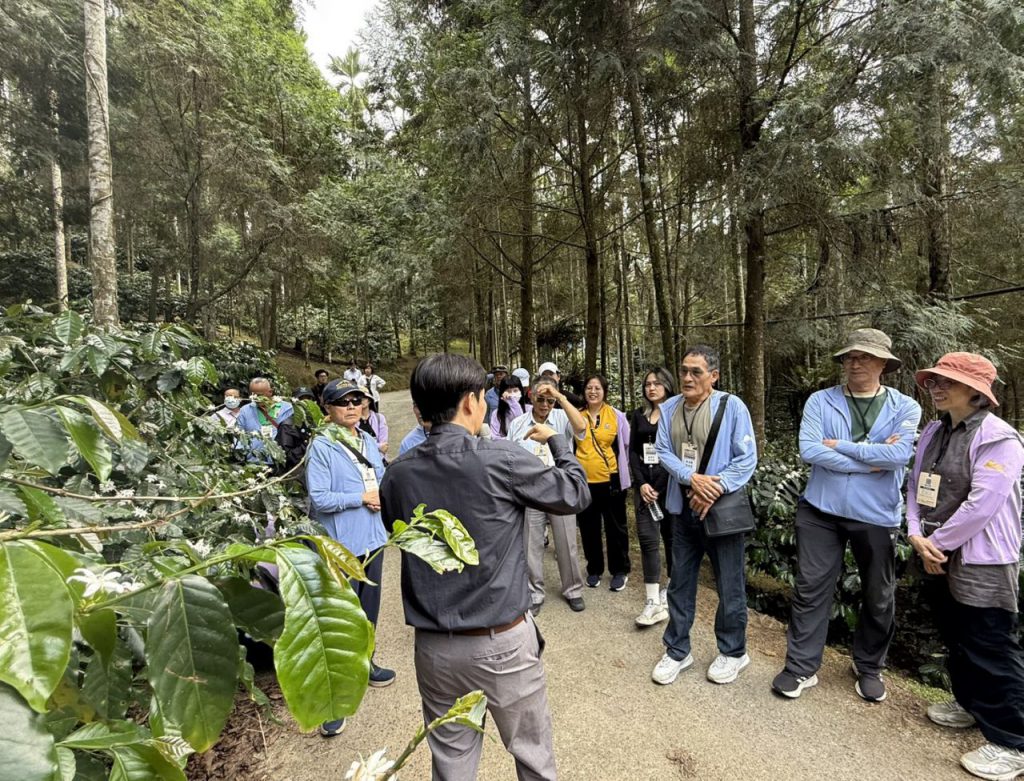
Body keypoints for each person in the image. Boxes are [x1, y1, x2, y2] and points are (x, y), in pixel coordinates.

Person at [379, 354, 590, 781]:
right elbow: (574, 493)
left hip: (434, 649)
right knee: (533, 758)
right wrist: (558, 443)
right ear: (474, 402)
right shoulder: (502, 459)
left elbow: (398, 531)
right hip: (503, 644)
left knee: (452, 765)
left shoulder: (396, 475)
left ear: (420, 407)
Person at [772, 328, 921, 702]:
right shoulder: (820, 401)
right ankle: (801, 666)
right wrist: (870, 459)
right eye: (851, 357)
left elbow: (900, 455)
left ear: (883, 364)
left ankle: (868, 665)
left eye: (865, 357)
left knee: (878, 593)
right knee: (811, 587)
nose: (856, 363)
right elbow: (809, 450)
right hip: (820, 509)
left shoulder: (905, 407)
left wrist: (840, 446)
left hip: (876, 514)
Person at [905, 353, 1024, 781]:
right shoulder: (934, 431)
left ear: (976, 391)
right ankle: (970, 703)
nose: (936, 387)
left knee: (989, 644)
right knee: (955, 634)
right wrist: (917, 533)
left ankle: (1013, 741)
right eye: (934, 380)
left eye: (947, 381)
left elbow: (983, 505)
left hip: (982, 557)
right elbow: (915, 485)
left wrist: (934, 543)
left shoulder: (999, 439)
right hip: (934, 550)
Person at [652, 345, 758, 686]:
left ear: (714, 376)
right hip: (683, 511)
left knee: (730, 586)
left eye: (696, 372)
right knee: (679, 582)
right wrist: (691, 479)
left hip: (720, 512)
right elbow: (664, 452)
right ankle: (677, 650)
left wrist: (715, 487)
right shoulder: (669, 407)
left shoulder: (732, 407)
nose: (687, 377)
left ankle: (734, 652)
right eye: (683, 370)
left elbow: (746, 458)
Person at [307, 380, 396, 738]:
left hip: (373, 539)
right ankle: (333, 700)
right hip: (342, 546)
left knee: (368, 610)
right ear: (326, 408)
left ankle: (367, 664)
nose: (351, 406)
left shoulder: (367, 440)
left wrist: (383, 495)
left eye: (356, 400)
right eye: (341, 401)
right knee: (338, 619)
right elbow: (320, 498)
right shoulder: (322, 446)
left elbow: (382, 476)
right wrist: (361, 496)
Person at [508, 377, 588, 614]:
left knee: (567, 543)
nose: (545, 405)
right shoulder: (518, 423)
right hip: (531, 490)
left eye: (550, 400)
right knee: (531, 544)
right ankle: (534, 592)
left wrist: (561, 397)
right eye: (540, 399)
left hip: (559, 488)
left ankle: (573, 589)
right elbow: (512, 456)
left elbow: (582, 427)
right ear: (531, 396)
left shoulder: (562, 419)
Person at [628, 368, 677, 627]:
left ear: (667, 385)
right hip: (645, 488)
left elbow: (678, 454)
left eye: (657, 383)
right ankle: (651, 602)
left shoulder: (677, 414)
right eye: (647, 384)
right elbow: (633, 452)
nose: (651, 388)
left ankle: (670, 591)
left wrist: (657, 485)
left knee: (671, 539)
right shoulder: (639, 415)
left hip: (668, 486)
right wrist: (642, 484)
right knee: (648, 540)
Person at [574, 374, 632, 592]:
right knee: (589, 527)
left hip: (611, 481)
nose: (593, 391)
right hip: (585, 482)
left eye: (597, 388)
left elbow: (626, 446)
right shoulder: (577, 416)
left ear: (604, 391)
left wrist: (624, 478)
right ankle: (594, 569)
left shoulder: (616, 416)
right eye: (589, 387)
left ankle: (619, 570)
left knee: (615, 527)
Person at [236, 377, 294, 464]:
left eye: (259, 395)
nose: (256, 398)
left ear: (270, 392)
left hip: (280, 461)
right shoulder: (245, 410)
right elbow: (238, 434)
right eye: (253, 395)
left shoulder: (287, 408)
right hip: (253, 461)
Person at [490, 375, 529, 439]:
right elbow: (494, 437)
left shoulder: (529, 409)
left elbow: (521, 425)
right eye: (509, 391)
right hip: (505, 447)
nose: (512, 394)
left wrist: (513, 404)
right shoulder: (496, 414)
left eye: (515, 391)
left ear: (521, 392)